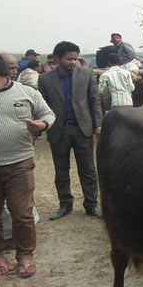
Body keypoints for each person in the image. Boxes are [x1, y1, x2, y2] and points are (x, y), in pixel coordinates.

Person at [0, 51, 55, 278]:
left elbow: (48, 113)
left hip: (19, 164)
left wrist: (42, 124)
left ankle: (25, 255)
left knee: (23, 214)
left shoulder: (27, 92)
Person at [38, 41, 103, 220]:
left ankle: (91, 204)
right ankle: (65, 205)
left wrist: (98, 125)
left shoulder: (87, 74)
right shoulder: (45, 79)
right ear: (57, 58)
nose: (73, 62)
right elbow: (42, 105)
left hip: (82, 129)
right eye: (69, 59)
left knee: (88, 169)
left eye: (75, 58)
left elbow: (94, 101)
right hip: (59, 130)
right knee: (61, 170)